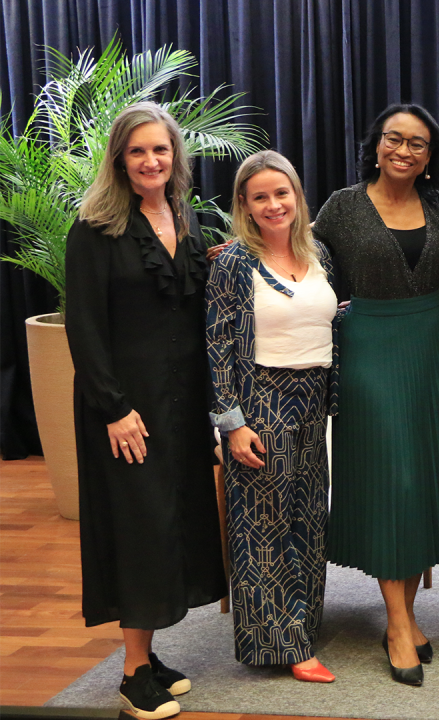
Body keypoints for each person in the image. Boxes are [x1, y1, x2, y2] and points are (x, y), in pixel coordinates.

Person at [64, 102, 226, 720]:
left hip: (179, 404)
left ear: (175, 157)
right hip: (127, 407)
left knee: (172, 522)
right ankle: (133, 675)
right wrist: (114, 408)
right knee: (140, 528)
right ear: (119, 159)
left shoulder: (182, 216)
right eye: (137, 151)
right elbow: (84, 326)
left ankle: (149, 655)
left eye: (160, 150)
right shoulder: (94, 227)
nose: (151, 161)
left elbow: (184, 304)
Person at [311, 103, 439, 687]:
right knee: (389, 479)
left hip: (432, 346)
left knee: (423, 478)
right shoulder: (342, 207)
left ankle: (411, 613)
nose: (404, 150)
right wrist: (249, 255)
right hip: (369, 348)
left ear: (429, 157)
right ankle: (397, 623)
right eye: (394, 139)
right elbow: (307, 254)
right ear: (375, 146)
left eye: (417, 143)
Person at [206, 151, 339, 682]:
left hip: (314, 399)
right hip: (262, 400)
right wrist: (232, 424)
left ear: (297, 197)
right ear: (244, 204)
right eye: (260, 196)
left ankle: (302, 622)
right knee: (263, 528)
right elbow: (217, 346)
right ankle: (281, 644)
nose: (273, 204)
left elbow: (323, 316)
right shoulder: (233, 262)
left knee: (308, 519)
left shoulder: (319, 252)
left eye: (281, 193)